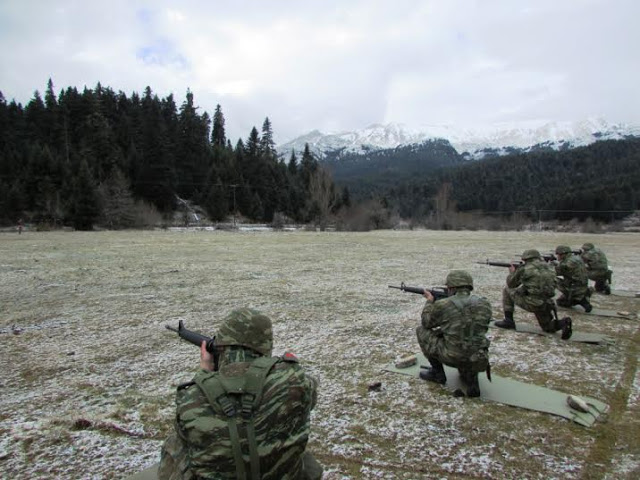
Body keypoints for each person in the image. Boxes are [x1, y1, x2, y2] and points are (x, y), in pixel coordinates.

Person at [158, 308, 323, 480]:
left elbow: (188, 434)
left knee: (174, 443)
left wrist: (205, 374)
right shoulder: (294, 379)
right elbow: (310, 395)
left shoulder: (191, 397)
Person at [416, 270, 492, 398]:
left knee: (421, 331)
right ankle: (472, 381)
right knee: (470, 339)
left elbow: (426, 323)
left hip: (452, 356)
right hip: (478, 358)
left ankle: (437, 373)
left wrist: (429, 301)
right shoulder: (484, 303)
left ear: (451, 287)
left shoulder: (443, 304)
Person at [495, 249, 573, 340]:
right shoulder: (550, 267)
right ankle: (563, 323)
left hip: (533, 303)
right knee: (548, 328)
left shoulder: (525, 269)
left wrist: (512, 272)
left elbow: (511, 284)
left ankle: (508, 321)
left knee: (507, 289)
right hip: (547, 303)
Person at [554, 245, 592, 312]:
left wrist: (552, 265)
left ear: (564, 254)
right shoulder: (576, 258)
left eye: (559, 254)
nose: (558, 256)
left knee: (553, 279)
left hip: (574, 286)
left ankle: (579, 299)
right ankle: (580, 297)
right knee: (561, 301)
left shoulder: (567, 262)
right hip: (582, 284)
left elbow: (556, 273)